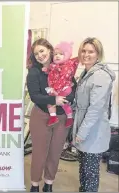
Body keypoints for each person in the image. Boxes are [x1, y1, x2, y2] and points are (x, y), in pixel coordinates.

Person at [26, 38, 77, 192]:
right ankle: (35, 185)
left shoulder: (65, 67)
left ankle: (48, 183)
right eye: (36, 54)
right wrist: (53, 99)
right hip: (41, 116)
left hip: (61, 118)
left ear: (49, 49)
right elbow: (35, 96)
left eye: (42, 50)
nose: (40, 55)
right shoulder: (34, 72)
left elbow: (72, 90)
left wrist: (66, 98)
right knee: (39, 154)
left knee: (55, 153)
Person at [73, 37, 116, 192]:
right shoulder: (87, 73)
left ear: (98, 54)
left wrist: (81, 132)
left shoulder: (100, 76)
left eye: (91, 51)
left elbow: (95, 109)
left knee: (90, 174)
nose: (86, 54)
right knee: (84, 170)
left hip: (93, 131)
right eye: (83, 51)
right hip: (85, 130)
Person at [42, 41, 79, 127]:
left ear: (66, 55)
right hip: (56, 88)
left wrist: (56, 91)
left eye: (61, 54)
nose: (57, 56)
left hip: (63, 88)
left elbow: (64, 78)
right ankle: (59, 117)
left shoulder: (67, 66)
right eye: (55, 54)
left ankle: (64, 117)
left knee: (57, 102)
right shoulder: (54, 66)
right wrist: (47, 70)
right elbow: (53, 74)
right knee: (56, 102)